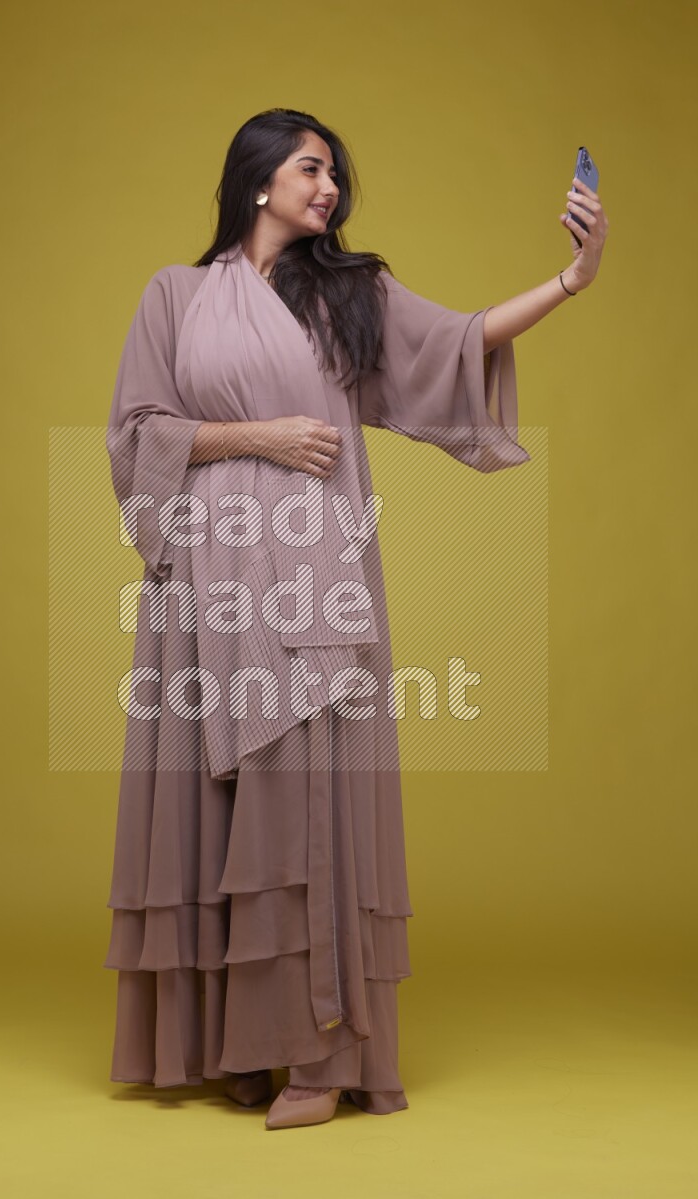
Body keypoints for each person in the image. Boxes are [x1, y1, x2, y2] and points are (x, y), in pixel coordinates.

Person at [102, 108, 609, 1130]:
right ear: (256, 179)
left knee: (305, 806)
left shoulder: (345, 295)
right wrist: (260, 435)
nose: (328, 187)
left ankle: (315, 1055)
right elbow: (137, 433)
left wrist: (568, 282)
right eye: (309, 167)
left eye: (333, 173)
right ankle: (236, 1047)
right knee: (216, 809)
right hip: (204, 584)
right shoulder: (175, 295)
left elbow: (455, 344)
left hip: (312, 581)